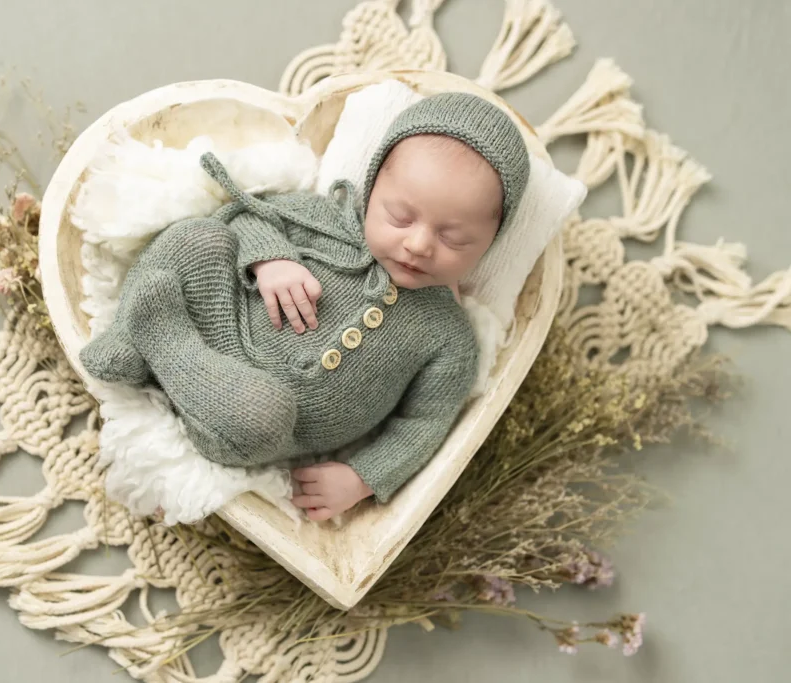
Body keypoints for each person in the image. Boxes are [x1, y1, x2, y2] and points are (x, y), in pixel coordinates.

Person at [79, 91, 530, 521]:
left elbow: (423, 424)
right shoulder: (324, 219)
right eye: (399, 217)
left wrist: (362, 478)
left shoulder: (448, 337)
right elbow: (242, 215)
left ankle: (159, 339)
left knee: (264, 414)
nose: (417, 244)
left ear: (488, 245)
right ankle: (130, 337)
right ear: (372, 190)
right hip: (224, 323)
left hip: (255, 418)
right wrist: (270, 257)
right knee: (196, 238)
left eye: (453, 239)